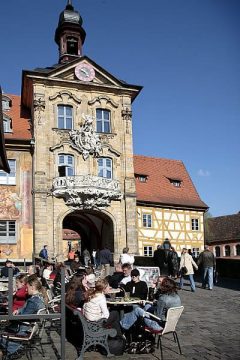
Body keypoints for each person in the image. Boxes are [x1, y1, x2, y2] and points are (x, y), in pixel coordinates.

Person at [0, 275, 47, 357]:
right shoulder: (39, 298)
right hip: (28, 327)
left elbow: (23, 316)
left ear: (32, 288)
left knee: (1, 331)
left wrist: (11, 317)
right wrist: (18, 310)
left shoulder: (33, 301)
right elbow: (25, 310)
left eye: (27, 287)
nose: (26, 289)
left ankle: (13, 349)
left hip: (23, 328)